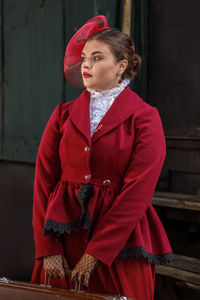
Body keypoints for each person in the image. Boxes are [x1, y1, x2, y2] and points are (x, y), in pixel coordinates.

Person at [31, 15, 174, 300]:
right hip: (62, 239)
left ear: (121, 65)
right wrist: (48, 249)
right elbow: (43, 183)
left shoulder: (145, 118)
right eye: (84, 58)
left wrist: (96, 253)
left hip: (119, 245)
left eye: (97, 58)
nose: (85, 65)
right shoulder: (63, 115)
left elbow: (138, 192)